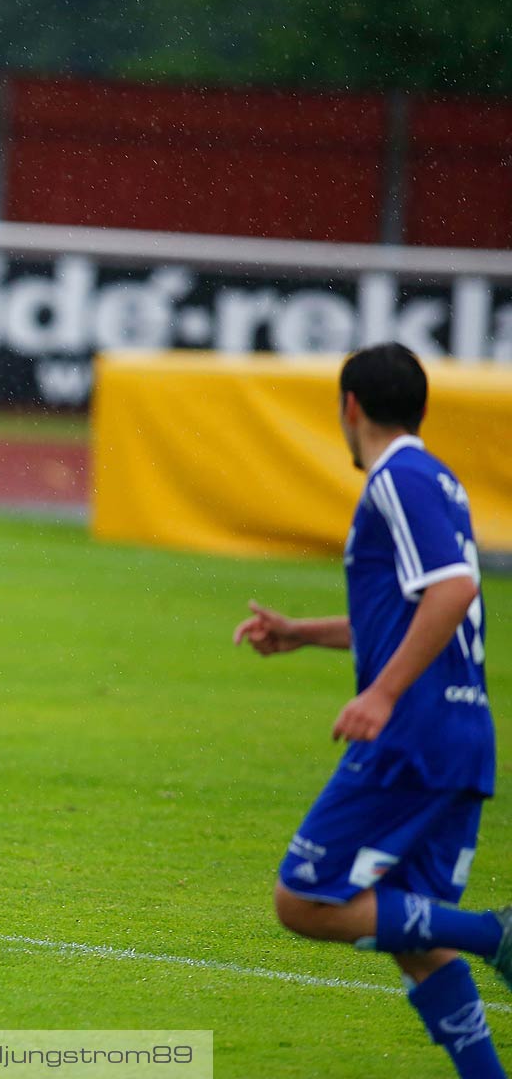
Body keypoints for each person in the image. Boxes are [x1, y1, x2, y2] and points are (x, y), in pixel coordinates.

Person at [235, 343, 507, 1078]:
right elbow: (411, 614)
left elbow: (453, 591)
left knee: (304, 899)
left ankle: (495, 934)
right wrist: (301, 634)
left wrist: (381, 693)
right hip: (458, 732)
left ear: (349, 407)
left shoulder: (399, 478)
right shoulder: (437, 480)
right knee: (414, 935)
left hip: (412, 731)